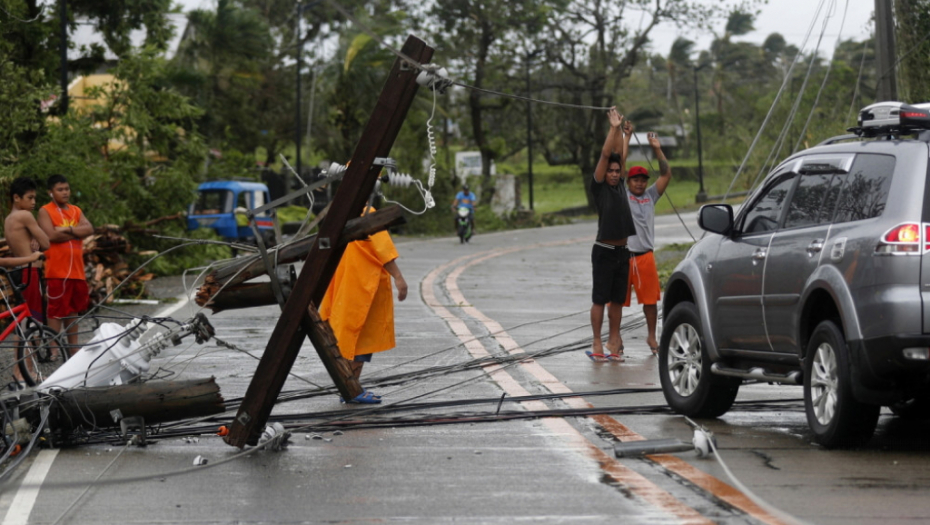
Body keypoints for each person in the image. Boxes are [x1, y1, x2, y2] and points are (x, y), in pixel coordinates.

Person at [319, 206, 408, 404]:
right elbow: (382, 248)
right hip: (364, 283)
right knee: (359, 336)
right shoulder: (366, 212)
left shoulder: (340, 212)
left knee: (348, 335)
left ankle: (351, 387)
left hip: (345, 281)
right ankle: (350, 389)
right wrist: (399, 278)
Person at [586, 107, 637, 362]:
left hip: (622, 253)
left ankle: (613, 342)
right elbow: (608, 154)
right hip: (604, 251)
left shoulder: (620, 186)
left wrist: (626, 136)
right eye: (611, 171)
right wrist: (614, 128)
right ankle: (596, 341)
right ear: (604, 173)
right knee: (600, 299)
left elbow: (619, 156)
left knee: (617, 301)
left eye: (617, 172)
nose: (615, 174)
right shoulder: (600, 187)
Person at [624, 132, 672, 355]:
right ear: (628, 181)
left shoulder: (651, 196)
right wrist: (624, 136)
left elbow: (666, 174)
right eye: (635, 179)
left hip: (645, 256)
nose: (640, 183)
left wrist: (656, 148)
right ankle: (615, 340)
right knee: (615, 301)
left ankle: (652, 337)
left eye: (643, 179)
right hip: (624, 255)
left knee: (651, 301)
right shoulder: (622, 195)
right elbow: (619, 165)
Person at [37, 174, 93, 355]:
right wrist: (77, 232)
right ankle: (53, 350)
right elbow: (51, 236)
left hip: (76, 270)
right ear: (50, 192)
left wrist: (67, 229)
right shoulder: (45, 211)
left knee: (73, 309)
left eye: (66, 189)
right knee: (55, 310)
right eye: (60, 190)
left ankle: (73, 348)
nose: (65, 192)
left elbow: (90, 229)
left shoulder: (76, 210)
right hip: (56, 270)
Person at [4, 177, 50, 322]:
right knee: (34, 317)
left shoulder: (8, 219)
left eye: (34, 198)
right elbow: (46, 243)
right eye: (30, 198)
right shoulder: (25, 215)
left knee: (23, 317)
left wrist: (33, 238)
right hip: (30, 271)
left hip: (18, 270)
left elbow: (25, 240)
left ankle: (22, 344)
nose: (33, 202)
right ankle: (32, 344)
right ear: (16, 198)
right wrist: (37, 238)